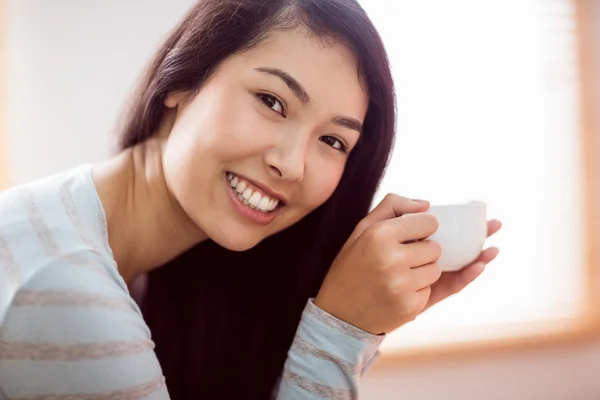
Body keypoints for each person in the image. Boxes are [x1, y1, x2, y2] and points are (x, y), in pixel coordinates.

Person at [0, 0, 501, 398]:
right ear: (182, 80)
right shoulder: (68, 287)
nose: (292, 164)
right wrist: (340, 333)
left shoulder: (116, 253)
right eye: (272, 101)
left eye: (333, 141)